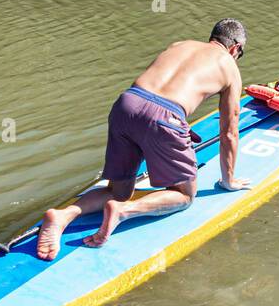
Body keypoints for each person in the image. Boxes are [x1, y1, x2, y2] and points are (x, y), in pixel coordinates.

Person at [36, 19, 250, 260]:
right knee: (184, 196)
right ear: (234, 48)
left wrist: (171, 124)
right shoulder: (229, 67)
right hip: (165, 118)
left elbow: (152, 98)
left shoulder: (180, 45)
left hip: (127, 105)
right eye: (240, 54)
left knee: (119, 190)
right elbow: (229, 131)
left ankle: (62, 215)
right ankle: (122, 211)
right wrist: (228, 180)